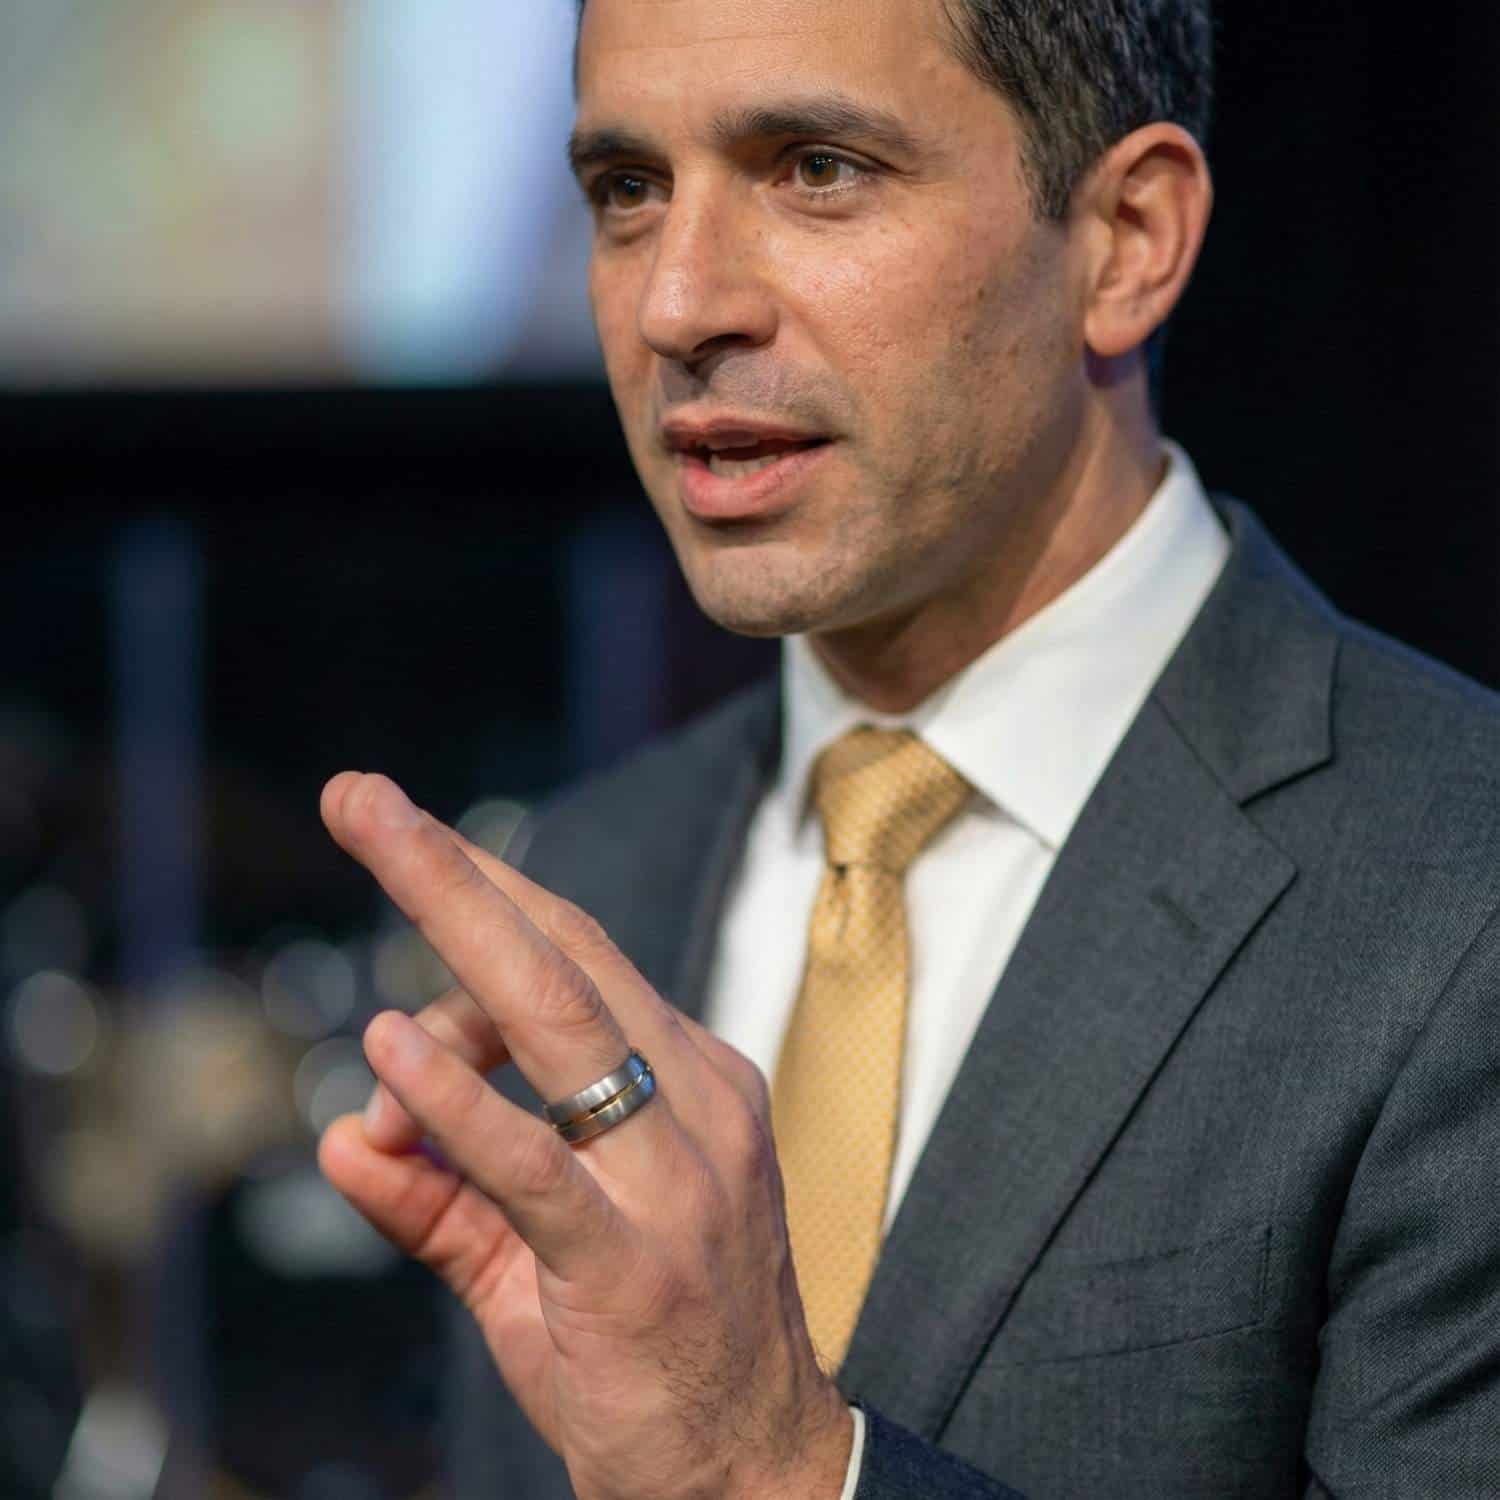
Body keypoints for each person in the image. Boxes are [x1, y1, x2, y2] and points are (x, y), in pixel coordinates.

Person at [317, 0, 1500, 1494]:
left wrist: (777, 1470)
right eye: (627, 189)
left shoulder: (1458, 896)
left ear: (1128, 240)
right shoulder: (600, 870)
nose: (678, 304)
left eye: (816, 169)